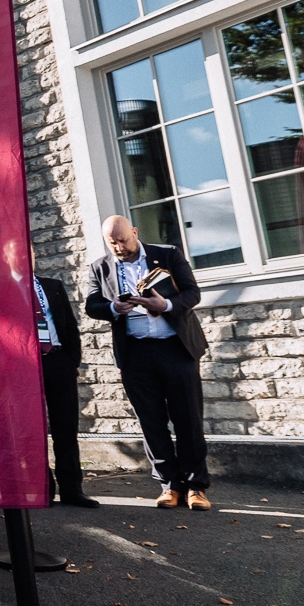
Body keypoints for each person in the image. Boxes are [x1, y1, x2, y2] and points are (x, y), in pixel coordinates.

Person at [84, 216, 213, 510]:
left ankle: (196, 487)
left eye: (123, 240)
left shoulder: (168, 254)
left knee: (188, 419)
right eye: (113, 243)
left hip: (176, 349)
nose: (119, 247)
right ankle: (170, 486)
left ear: (135, 231)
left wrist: (165, 305)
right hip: (135, 354)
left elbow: (192, 293)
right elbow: (92, 305)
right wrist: (113, 307)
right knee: (151, 422)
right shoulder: (100, 267)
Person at [35, 264, 97, 507]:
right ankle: (43, 489)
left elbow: (70, 323)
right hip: (28, 364)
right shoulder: (7, 289)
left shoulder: (52, 285)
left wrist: (72, 360)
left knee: (66, 428)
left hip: (59, 361)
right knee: (35, 430)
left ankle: (72, 490)